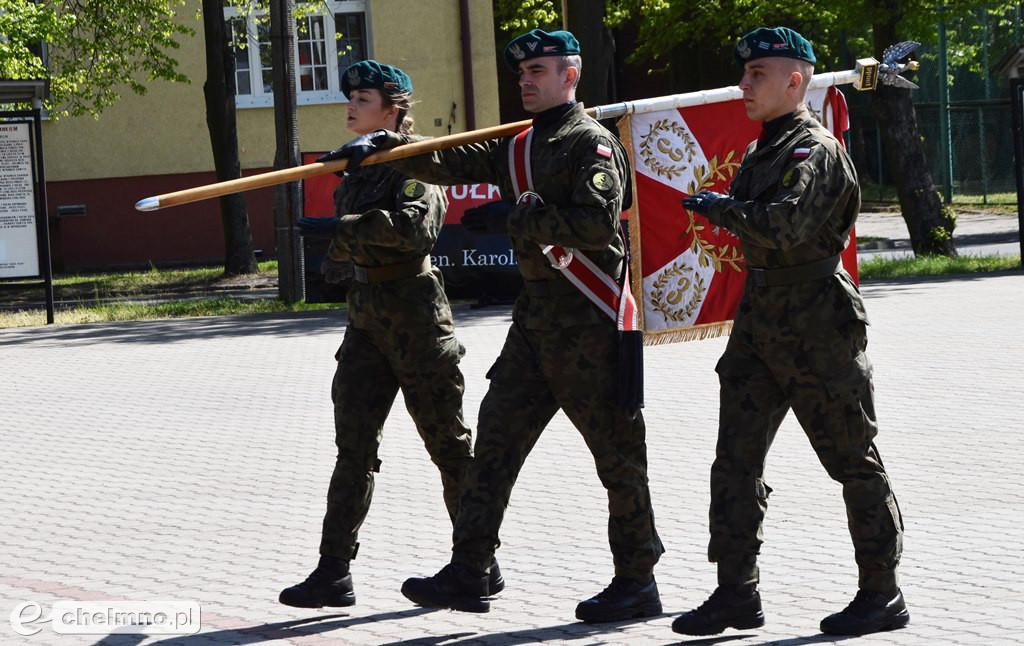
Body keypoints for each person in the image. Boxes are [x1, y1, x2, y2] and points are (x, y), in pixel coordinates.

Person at [319, 29, 664, 622]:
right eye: (522, 72)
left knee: (617, 457)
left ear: (570, 76)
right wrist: (381, 148)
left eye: (539, 70)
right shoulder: (519, 145)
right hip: (533, 324)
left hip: (588, 321)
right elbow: (447, 161)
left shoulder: (593, 144)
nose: (527, 80)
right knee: (493, 450)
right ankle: (470, 568)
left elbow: (598, 226)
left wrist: (526, 217)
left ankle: (637, 579)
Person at [672, 27, 909, 637]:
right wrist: (725, 206)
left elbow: (783, 226)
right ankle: (735, 594)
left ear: (795, 81)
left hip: (816, 325)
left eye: (757, 75)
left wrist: (715, 207)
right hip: (760, 325)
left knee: (852, 461)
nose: (744, 84)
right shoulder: (764, 149)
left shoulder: (814, 150)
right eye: (744, 73)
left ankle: (881, 592)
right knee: (734, 465)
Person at [279, 59, 503, 608]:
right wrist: (338, 254)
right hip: (366, 323)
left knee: (448, 447)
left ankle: (478, 563)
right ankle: (333, 571)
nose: (350, 105)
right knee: (352, 447)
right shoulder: (359, 165)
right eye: (350, 96)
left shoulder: (415, 163)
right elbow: (355, 244)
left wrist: (343, 231)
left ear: (394, 109)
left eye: (363, 97)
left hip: (417, 323)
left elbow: (415, 230)